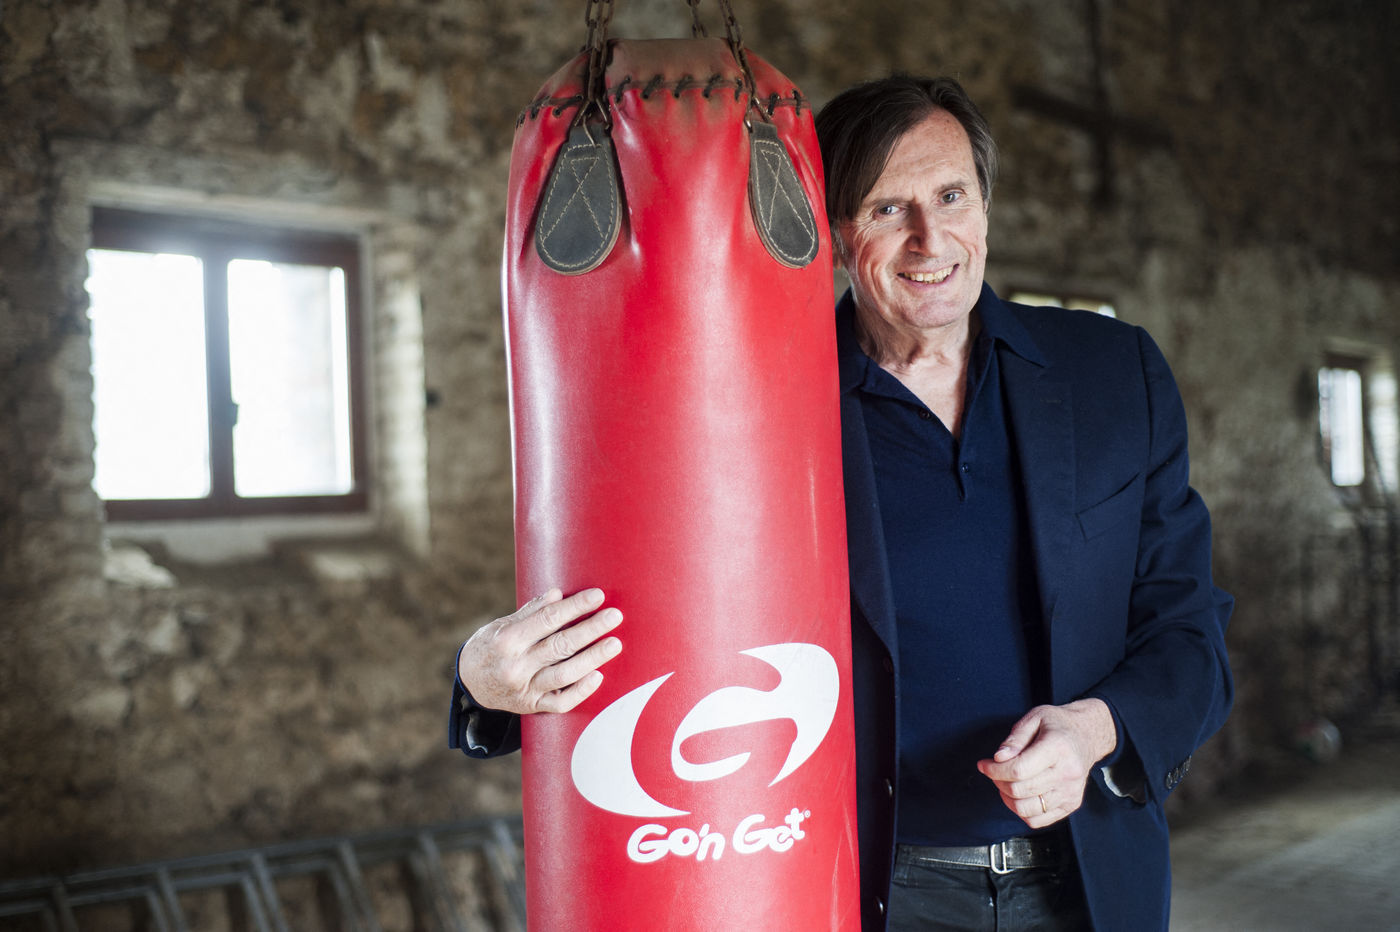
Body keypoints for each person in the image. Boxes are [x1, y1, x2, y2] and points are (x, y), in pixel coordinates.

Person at [450, 74, 1233, 931]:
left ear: (985, 203)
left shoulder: (1112, 373)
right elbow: (660, 619)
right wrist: (484, 680)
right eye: (888, 209)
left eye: (951, 196)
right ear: (831, 230)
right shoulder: (756, 400)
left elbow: (1188, 632)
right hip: (875, 892)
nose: (930, 238)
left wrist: (1096, 731)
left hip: (1092, 882)